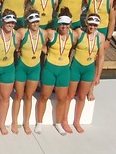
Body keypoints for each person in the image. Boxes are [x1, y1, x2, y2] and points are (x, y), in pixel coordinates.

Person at [35, 7, 79, 136]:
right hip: (50, 68)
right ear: (58, 24)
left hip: (64, 70)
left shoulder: (74, 35)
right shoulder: (50, 33)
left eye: (66, 24)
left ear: (70, 24)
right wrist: (45, 51)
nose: (63, 27)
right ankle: (39, 122)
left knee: (61, 98)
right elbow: (40, 41)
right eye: (61, 24)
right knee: (44, 96)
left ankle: (58, 123)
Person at [62, 14, 105, 133]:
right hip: (76, 67)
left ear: (98, 25)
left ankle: (77, 121)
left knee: (81, 96)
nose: (92, 27)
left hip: (89, 68)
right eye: (90, 24)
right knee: (69, 95)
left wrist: (98, 75)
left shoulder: (100, 37)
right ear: (86, 23)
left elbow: (101, 57)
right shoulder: (79, 33)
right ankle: (64, 120)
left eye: (95, 25)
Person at [11, 8, 48, 135]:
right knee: (18, 95)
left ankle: (26, 122)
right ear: (28, 22)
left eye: (37, 21)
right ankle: (14, 122)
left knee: (28, 96)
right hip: (22, 67)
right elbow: (14, 46)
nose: (35, 24)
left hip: (35, 68)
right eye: (32, 22)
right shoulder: (21, 33)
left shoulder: (44, 33)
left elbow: (48, 45)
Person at [84, 0, 116, 101]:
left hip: (102, 31)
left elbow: (112, 21)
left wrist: (108, 38)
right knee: (87, 58)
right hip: (89, 29)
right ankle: (83, 85)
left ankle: (91, 89)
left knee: (98, 60)